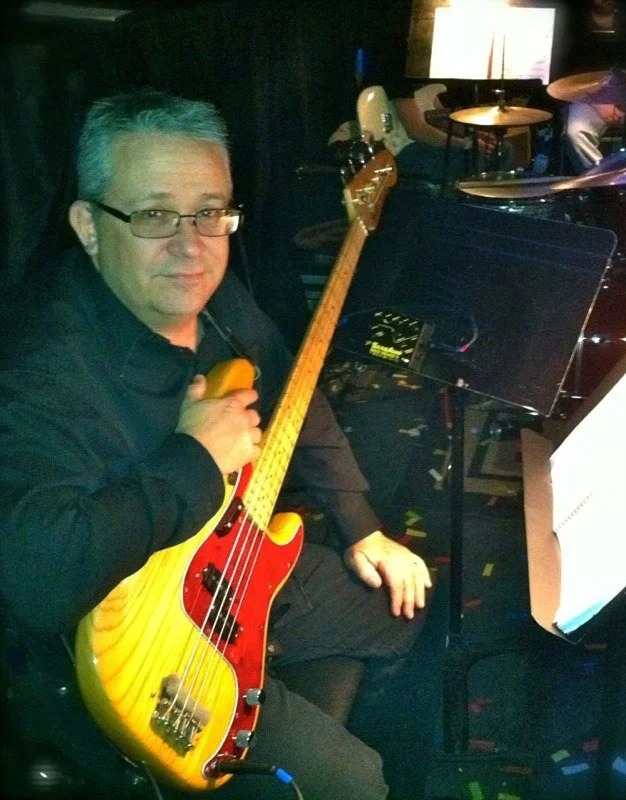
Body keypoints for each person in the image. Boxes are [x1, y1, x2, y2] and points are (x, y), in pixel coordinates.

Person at [0, 88, 432, 800]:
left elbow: (297, 395)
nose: (191, 246)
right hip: (132, 657)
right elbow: (40, 580)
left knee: (408, 615)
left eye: (210, 212)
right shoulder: (38, 370)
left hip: (235, 566)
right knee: (358, 783)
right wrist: (195, 460)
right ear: (88, 225)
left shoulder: (210, 293)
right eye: (153, 214)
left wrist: (364, 529)